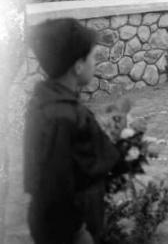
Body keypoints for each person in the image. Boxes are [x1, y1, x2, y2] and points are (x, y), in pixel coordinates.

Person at [24, 18, 122, 243]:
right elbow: (55, 188)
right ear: (78, 66)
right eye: (93, 58)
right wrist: (79, 232)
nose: (95, 64)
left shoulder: (44, 102)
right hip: (68, 232)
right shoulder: (63, 117)